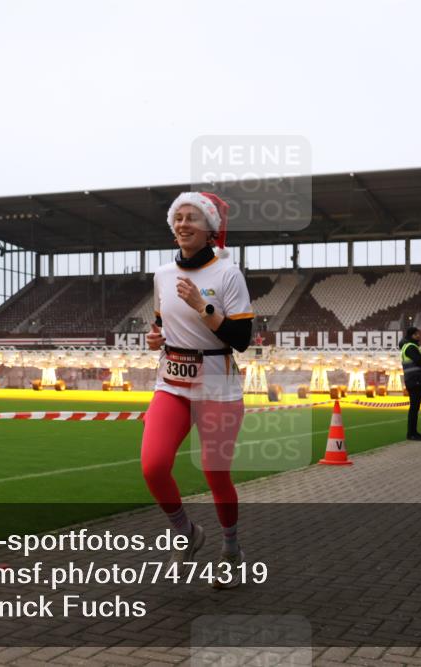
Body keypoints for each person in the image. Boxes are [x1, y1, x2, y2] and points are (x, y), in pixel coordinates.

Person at [142, 191, 253, 589]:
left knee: (215, 471)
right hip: (171, 383)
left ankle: (231, 549)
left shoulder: (227, 274)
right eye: (178, 218)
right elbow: (161, 324)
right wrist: (155, 338)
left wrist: (203, 307)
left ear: (209, 230)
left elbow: (241, 337)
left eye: (192, 218)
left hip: (217, 385)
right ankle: (185, 532)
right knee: (153, 466)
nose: (183, 224)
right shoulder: (162, 275)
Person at [399, 327, 421, 441]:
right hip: (414, 380)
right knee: (414, 408)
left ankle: (413, 432)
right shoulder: (411, 347)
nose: (419, 336)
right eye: (417, 334)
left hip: (414, 380)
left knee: (415, 408)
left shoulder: (410, 347)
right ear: (412, 335)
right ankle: (412, 433)